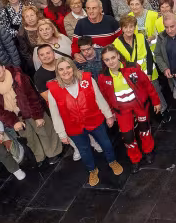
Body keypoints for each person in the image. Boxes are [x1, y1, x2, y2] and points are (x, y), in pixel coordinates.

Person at [44, 57, 122, 186]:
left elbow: (99, 98)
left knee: (106, 143)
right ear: (57, 72)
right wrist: (61, 134)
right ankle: (92, 170)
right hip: (73, 127)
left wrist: (108, 115)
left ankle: (112, 161)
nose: (65, 72)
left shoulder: (87, 79)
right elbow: (55, 114)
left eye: (68, 67)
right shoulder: (53, 90)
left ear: (73, 67)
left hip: (94, 120)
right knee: (84, 150)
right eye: (61, 69)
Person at [0, 59, 62, 168]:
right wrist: (13, 122)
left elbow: (32, 95)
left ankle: (53, 152)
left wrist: (38, 116)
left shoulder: (18, 76)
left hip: (32, 109)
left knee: (45, 131)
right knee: (29, 138)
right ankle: (39, 157)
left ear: (3, 67)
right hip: (16, 117)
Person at [97, 46, 161, 170]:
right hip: (121, 111)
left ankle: (148, 151)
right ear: (103, 61)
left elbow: (147, 85)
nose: (111, 62)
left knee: (144, 129)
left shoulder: (133, 67)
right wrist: (111, 112)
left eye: (113, 57)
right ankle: (135, 158)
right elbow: (105, 96)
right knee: (127, 137)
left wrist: (156, 101)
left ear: (118, 56)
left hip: (139, 106)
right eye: (107, 60)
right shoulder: (102, 77)